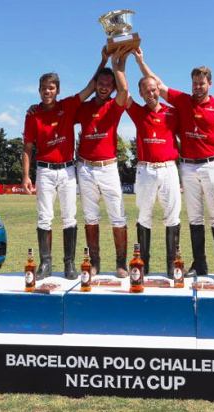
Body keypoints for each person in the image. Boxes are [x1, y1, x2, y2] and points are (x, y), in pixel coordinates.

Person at [132, 48, 214, 280]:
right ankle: (200, 264)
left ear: (210, 84)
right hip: (187, 166)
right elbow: (156, 85)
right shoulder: (183, 101)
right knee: (194, 217)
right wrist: (141, 61)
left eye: (201, 83)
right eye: (194, 83)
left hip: (212, 165)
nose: (197, 87)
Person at [22, 53, 107, 280]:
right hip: (45, 170)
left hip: (68, 170)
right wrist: (25, 176)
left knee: (69, 217)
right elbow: (28, 147)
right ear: (39, 90)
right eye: (43, 88)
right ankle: (45, 263)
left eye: (50, 88)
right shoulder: (32, 114)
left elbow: (90, 88)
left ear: (57, 90)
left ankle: (69, 264)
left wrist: (103, 60)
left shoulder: (68, 106)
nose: (46, 91)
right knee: (44, 218)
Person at [116, 50, 181, 276]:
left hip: (169, 169)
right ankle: (143, 264)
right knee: (144, 217)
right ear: (142, 94)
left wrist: (141, 61)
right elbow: (123, 92)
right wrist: (119, 67)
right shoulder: (137, 112)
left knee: (172, 217)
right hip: (145, 170)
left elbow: (160, 83)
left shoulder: (173, 113)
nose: (151, 93)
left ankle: (173, 265)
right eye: (146, 91)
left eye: (154, 90)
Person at [75, 48, 130, 277]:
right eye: (101, 82)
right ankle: (94, 261)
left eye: (109, 83)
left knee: (117, 216)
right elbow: (87, 87)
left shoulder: (114, 106)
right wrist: (102, 61)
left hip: (108, 167)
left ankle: (121, 263)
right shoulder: (84, 107)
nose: (104, 86)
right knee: (90, 217)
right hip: (85, 167)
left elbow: (125, 89)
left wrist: (119, 65)